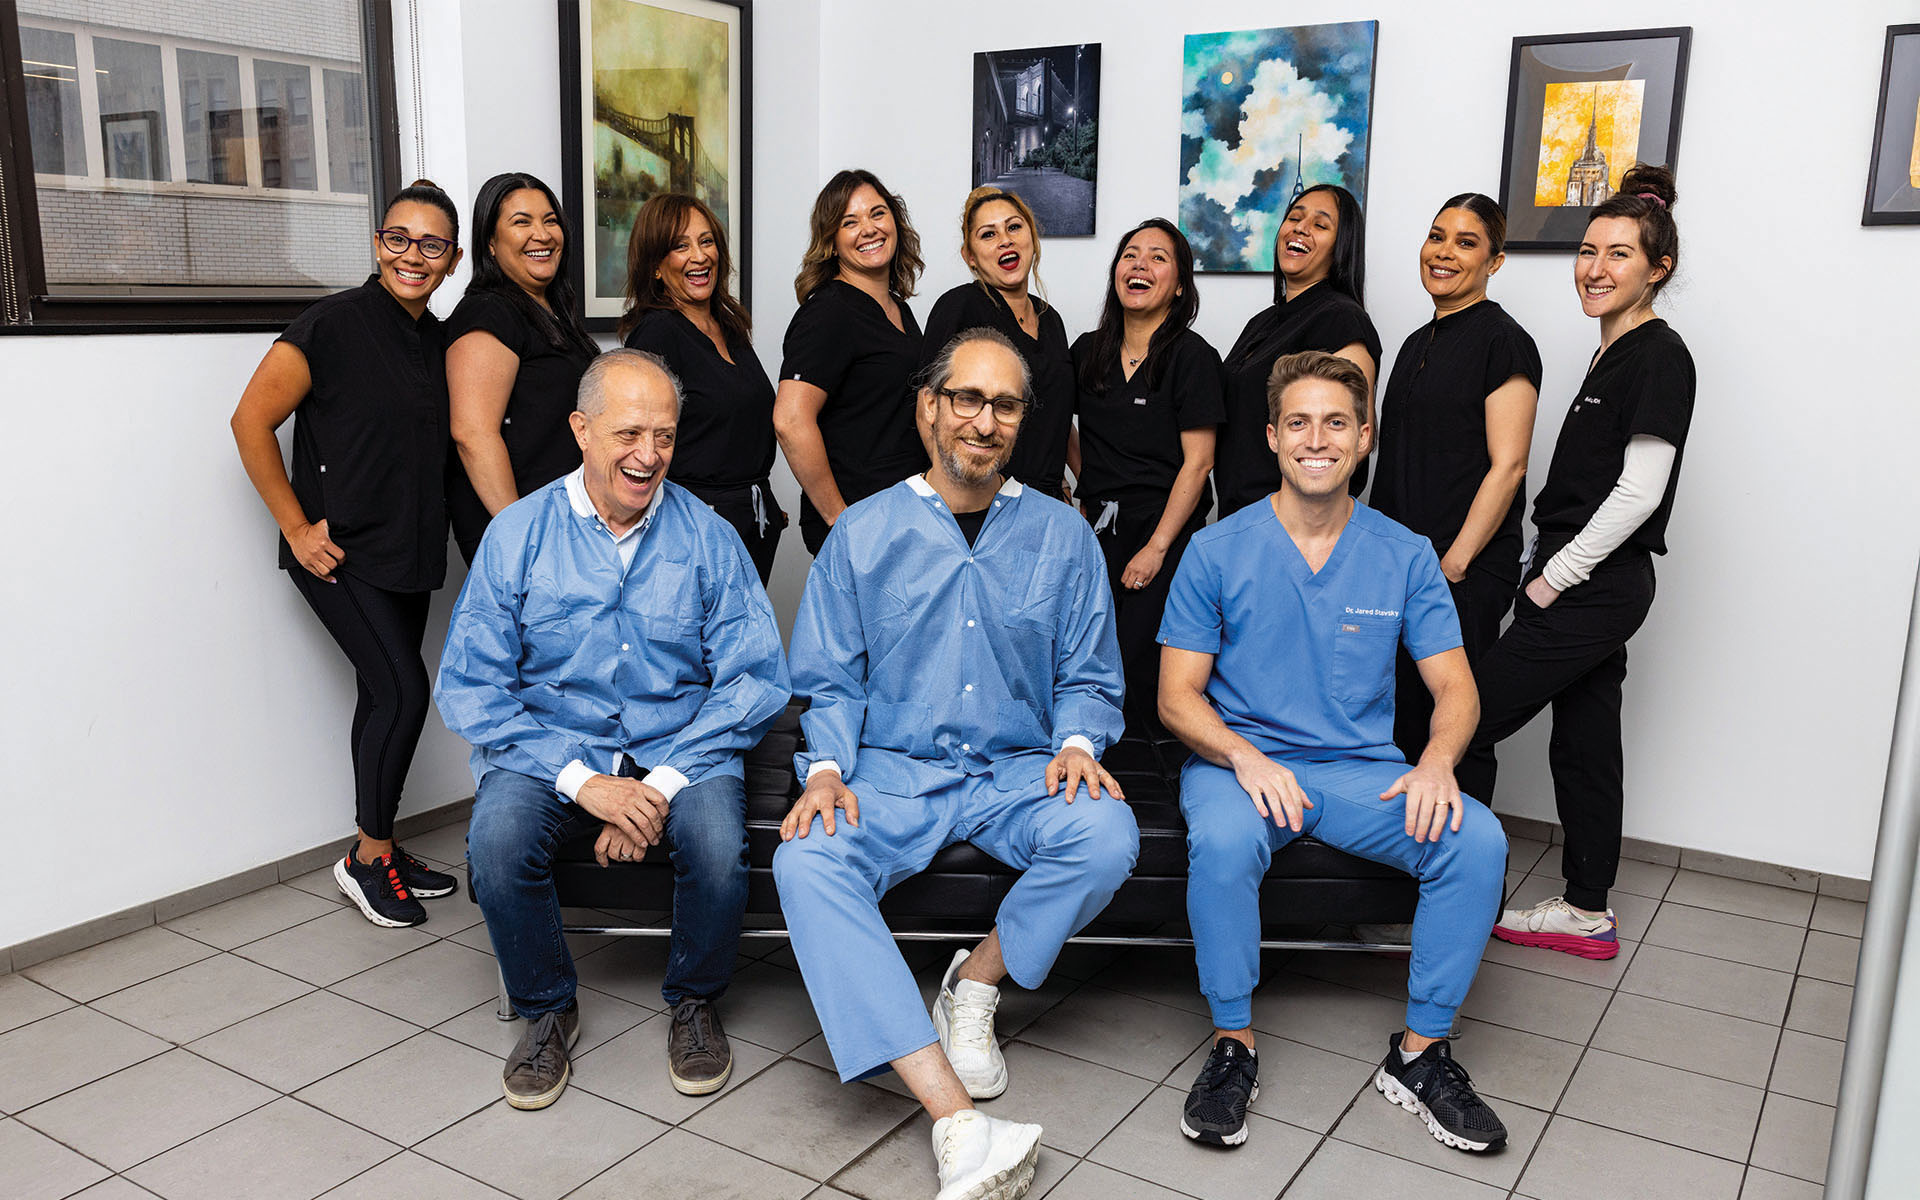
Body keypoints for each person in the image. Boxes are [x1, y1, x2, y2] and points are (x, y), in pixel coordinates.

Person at [774, 329, 1137, 1200]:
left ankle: (973, 984)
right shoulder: (863, 533)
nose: (984, 421)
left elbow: (1089, 673)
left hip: (1018, 770)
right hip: (894, 772)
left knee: (1108, 833)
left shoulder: (1063, 536)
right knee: (806, 860)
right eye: (966, 399)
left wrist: (1081, 744)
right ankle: (954, 1117)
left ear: (1022, 421)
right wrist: (825, 768)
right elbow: (829, 678)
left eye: (1004, 405)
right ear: (929, 407)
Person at [1159, 351, 1510, 1154]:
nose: (1317, 440)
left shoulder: (1405, 553)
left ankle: (1420, 1056)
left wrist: (1435, 764)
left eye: (1336, 423)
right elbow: (1176, 696)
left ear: (1363, 438)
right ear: (1274, 437)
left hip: (1360, 774)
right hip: (1239, 764)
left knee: (1477, 840)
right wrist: (1244, 758)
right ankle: (1232, 1044)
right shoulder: (1217, 550)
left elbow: (1456, 691)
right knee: (1221, 843)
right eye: (1300, 423)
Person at [436, 349, 790, 1110]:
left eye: (664, 436)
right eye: (629, 433)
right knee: (494, 848)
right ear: (581, 430)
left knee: (719, 853)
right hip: (551, 747)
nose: (648, 454)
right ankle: (544, 1008)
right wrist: (587, 785)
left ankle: (694, 1002)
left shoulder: (708, 536)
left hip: (681, 743)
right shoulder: (518, 535)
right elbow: (471, 687)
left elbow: (755, 678)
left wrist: (654, 788)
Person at [1460, 166, 1695, 960]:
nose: (1595, 268)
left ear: (1655, 269)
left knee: (1465, 717)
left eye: (1619, 254)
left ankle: (1440, 889)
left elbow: (1638, 493)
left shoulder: (1660, 355)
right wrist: (1544, 560)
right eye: (1588, 250)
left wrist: (1552, 579)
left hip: (1596, 583)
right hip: (1583, 575)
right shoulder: (1611, 354)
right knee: (1586, 738)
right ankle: (1587, 908)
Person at [231, 179, 465, 928]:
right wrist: (298, 529)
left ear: (452, 258)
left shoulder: (439, 341)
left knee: (380, 694)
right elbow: (249, 421)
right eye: (399, 238)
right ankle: (366, 858)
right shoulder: (329, 325)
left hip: (407, 551)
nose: (412, 255)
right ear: (377, 244)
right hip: (339, 556)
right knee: (402, 690)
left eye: (431, 244)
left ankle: (385, 846)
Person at [1371, 194, 1541, 763]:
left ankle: (1464, 850)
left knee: (1452, 729)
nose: (1444, 253)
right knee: (1398, 719)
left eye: (1466, 243)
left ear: (1494, 261)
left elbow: (1509, 465)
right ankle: (1396, 847)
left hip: (1460, 569)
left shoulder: (1504, 341)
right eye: (1437, 236)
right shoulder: (1417, 343)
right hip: (1403, 565)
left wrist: (1455, 564)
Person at [1071, 218, 1223, 739]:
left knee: (1142, 663)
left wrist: (1157, 548)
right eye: (1130, 254)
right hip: (1096, 531)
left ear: (1180, 285)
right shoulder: (1086, 350)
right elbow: (1060, 426)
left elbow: (1199, 463)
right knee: (1087, 658)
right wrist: (1081, 484)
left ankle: (1148, 789)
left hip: (1165, 532)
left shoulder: (1193, 357)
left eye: (1158, 257)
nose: (1140, 265)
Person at [620, 192, 786, 583]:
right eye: (680, 246)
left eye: (706, 241)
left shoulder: (730, 327)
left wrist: (757, 500)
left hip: (751, 522)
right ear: (656, 267)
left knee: (743, 640)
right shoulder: (656, 335)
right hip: (691, 528)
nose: (699, 256)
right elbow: (637, 445)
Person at [447, 171, 601, 562]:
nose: (543, 234)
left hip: (565, 526)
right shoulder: (488, 311)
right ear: (491, 244)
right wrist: (520, 535)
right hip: (523, 535)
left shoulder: (554, 312)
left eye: (550, 220)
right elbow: (472, 434)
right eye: (521, 222)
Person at [773, 168, 929, 556]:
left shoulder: (898, 309)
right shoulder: (829, 312)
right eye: (850, 221)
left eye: (877, 213)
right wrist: (841, 520)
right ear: (831, 241)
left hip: (904, 514)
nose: (869, 229)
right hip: (861, 525)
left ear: (895, 220)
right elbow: (790, 420)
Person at [1215, 184, 1382, 516]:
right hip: (1241, 515)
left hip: (1290, 521)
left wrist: (1298, 514)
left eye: (1320, 225)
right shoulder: (1263, 322)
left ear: (1341, 247)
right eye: (1294, 218)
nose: (1300, 228)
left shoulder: (1341, 318)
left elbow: (1355, 437)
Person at [921, 187, 1076, 500]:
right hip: (983, 499)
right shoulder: (959, 307)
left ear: (1032, 237)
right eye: (988, 234)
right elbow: (928, 411)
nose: (1005, 239)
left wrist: (1063, 482)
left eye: (1014, 227)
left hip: (1045, 501)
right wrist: (950, 501)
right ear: (971, 257)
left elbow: (1053, 414)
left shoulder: (1051, 319)